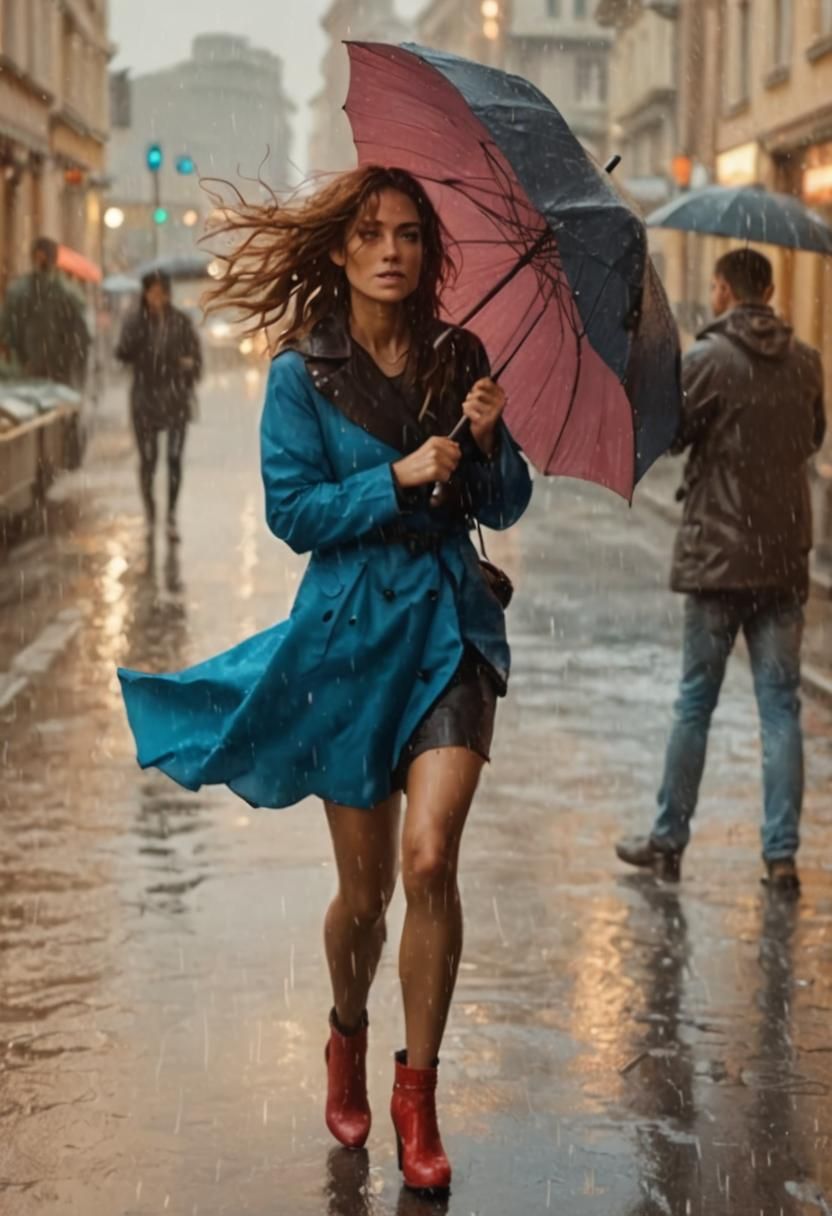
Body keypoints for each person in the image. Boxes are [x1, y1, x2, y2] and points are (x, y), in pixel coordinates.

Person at [117, 166, 532, 1191]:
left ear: (427, 255)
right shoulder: (302, 374)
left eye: (407, 235)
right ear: (341, 252)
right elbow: (293, 513)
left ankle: (417, 1095)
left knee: (431, 859)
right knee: (368, 893)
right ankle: (347, 1029)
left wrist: (483, 443)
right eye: (371, 234)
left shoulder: (460, 357)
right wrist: (391, 476)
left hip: (446, 626)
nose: (392, 249)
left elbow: (507, 499)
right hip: (348, 636)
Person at [617, 249, 825, 894]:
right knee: (780, 709)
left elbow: (672, 434)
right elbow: (814, 438)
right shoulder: (808, 362)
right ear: (767, 291)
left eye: (713, 285)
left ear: (727, 291)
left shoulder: (708, 360)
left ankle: (669, 841)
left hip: (717, 562)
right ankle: (781, 857)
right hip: (783, 560)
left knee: (695, 704)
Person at [115, 270, 202, 543]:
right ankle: (151, 516)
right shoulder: (136, 322)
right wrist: (141, 338)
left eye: (161, 292)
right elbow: (122, 352)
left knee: (174, 459)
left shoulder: (180, 322)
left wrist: (184, 366)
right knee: (148, 461)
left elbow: (197, 362)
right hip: (145, 400)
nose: (157, 297)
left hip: (175, 400)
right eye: (151, 292)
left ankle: (171, 517)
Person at [0, 236, 90, 387]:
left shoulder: (17, 290)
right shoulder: (70, 293)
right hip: (57, 375)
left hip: (25, 374)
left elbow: (5, 333)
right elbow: (82, 340)